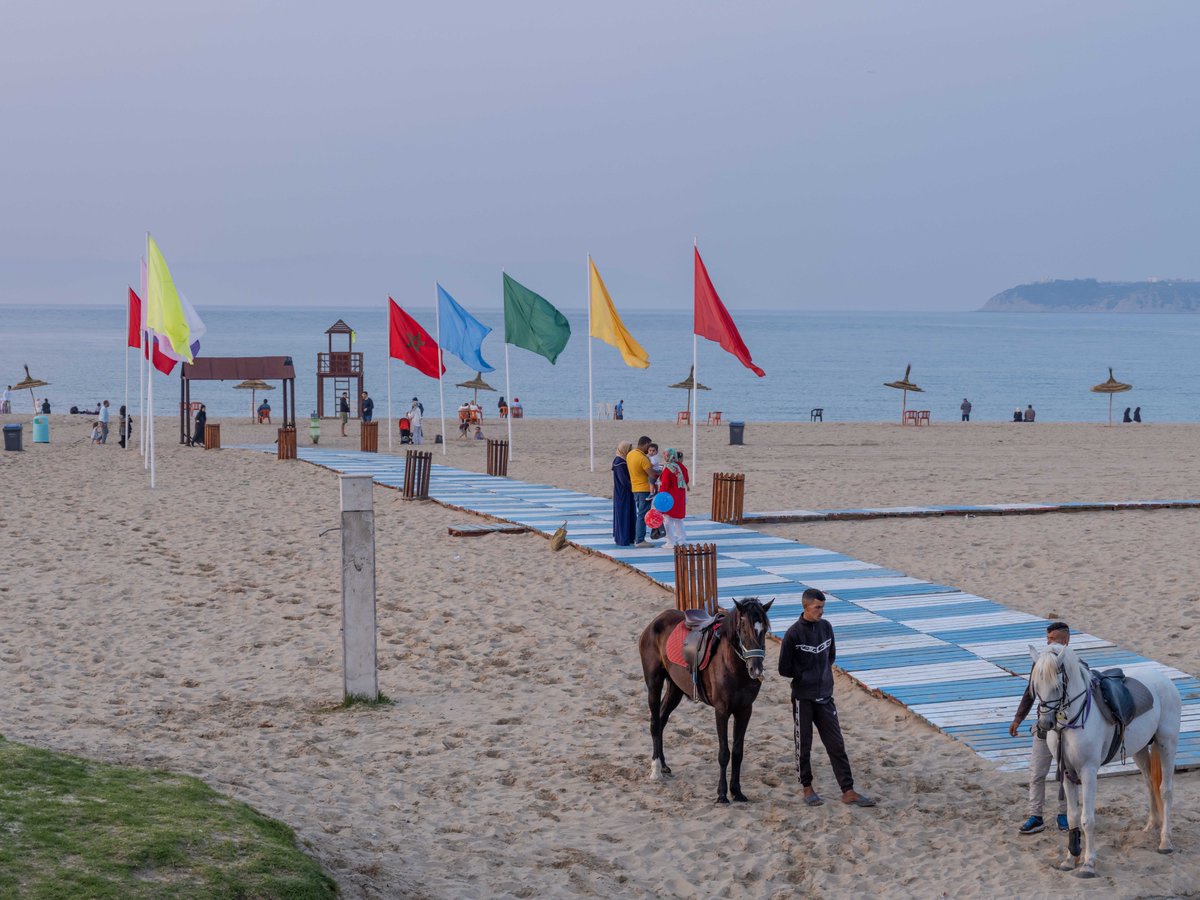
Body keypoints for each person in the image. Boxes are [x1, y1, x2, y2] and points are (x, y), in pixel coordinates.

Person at [779, 588, 876, 808]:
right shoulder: (793, 634)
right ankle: (807, 788)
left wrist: (821, 676)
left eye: (823, 607)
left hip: (825, 696)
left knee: (836, 744)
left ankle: (848, 790)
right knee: (804, 745)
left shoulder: (826, 627)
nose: (821, 612)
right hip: (803, 698)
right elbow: (784, 668)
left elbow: (830, 656)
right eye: (817, 608)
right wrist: (805, 674)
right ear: (805, 607)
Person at [1010, 622, 1072, 834]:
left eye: (1053, 639)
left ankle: (1064, 814)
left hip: (1067, 730)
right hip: (1043, 727)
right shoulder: (1040, 664)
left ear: (1065, 641)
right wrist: (1018, 718)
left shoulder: (1074, 663)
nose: (1048, 643)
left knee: (1065, 773)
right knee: (1036, 773)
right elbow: (1030, 692)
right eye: (1047, 639)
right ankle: (1035, 816)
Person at [658, 448, 690, 549]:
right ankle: (682, 540)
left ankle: (670, 542)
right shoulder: (681, 467)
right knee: (679, 520)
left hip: (669, 497)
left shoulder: (667, 468)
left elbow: (665, 485)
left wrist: (660, 497)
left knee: (668, 520)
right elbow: (686, 480)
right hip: (680, 496)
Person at [627, 436, 655, 547]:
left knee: (640, 514)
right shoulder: (642, 458)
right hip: (644, 489)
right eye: (648, 446)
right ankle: (639, 540)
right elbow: (652, 474)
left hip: (635, 488)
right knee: (643, 515)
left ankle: (638, 538)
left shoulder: (630, 454)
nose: (649, 449)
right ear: (645, 444)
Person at [612, 441, 635, 546]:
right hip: (623, 493)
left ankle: (629, 537)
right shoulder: (620, 462)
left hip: (626, 492)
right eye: (629, 449)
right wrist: (633, 487)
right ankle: (623, 539)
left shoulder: (622, 460)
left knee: (629, 514)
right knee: (623, 515)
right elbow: (624, 480)